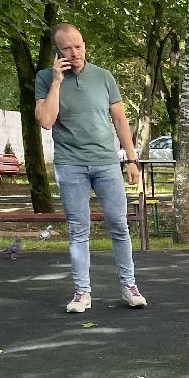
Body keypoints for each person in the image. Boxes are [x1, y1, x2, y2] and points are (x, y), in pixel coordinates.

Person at [34, 23, 147, 314]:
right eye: (67, 48)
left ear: (84, 45)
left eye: (79, 46)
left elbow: (120, 120)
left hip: (106, 162)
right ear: (57, 52)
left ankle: (129, 286)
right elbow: (46, 121)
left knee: (118, 224)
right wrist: (56, 82)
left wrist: (131, 159)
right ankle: (82, 292)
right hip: (70, 165)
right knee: (78, 229)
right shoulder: (45, 78)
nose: (75, 53)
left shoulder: (103, 77)